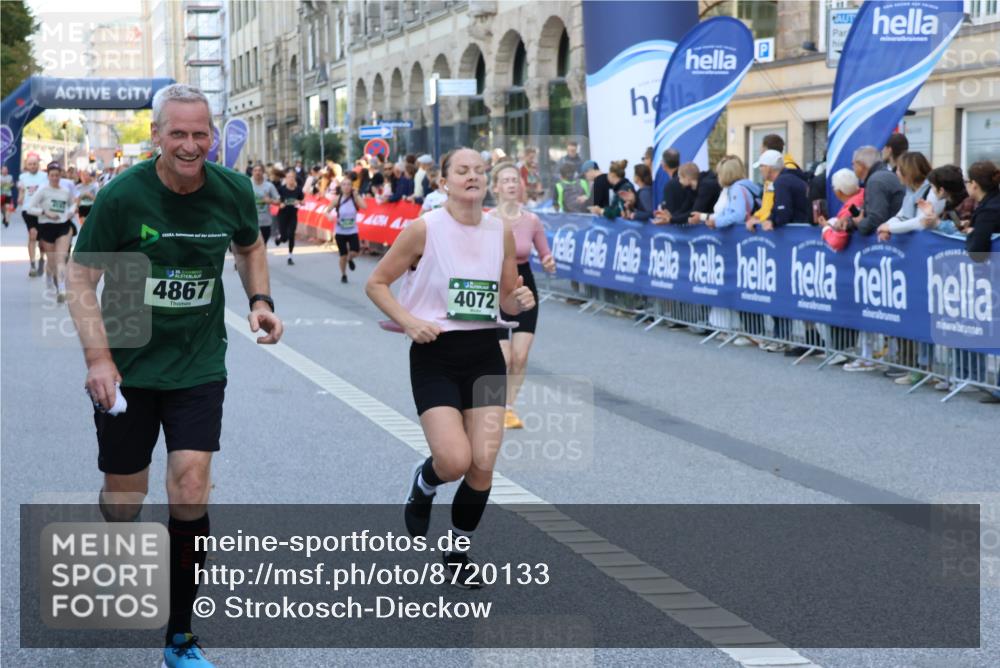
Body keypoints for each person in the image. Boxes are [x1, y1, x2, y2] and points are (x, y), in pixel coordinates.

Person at [66, 83, 283, 668]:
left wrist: (259, 299)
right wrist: (98, 359)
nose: (190, 145)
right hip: (129, 360)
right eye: (178, 133)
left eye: (200, 133)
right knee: (125, 499)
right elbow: (81, 279)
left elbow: (250, 246)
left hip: (197, 362)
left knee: (189, 486)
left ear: (212, 137)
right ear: (157, 136)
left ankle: (180, 634)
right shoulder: (123, 197)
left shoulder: (233, 190)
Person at [365, 148, 534, 587]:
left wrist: (520, 301)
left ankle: (458, 551)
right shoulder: (424, 229)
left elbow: (504, 298)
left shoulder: (502, 232)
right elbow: (376, 283)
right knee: (454, 460)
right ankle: (424, 482)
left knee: (483, 463)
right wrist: (409, 321)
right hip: (435, 351)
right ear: (444, 182)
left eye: (480, 170)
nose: (473, 176)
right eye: (462, 170)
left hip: (484, 355)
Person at [489, 161, 556, 428]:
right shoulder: (487, 220)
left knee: (520, 356)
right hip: (495, 288)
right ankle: (490, 405)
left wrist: (549, 261)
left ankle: (508, 408)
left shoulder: (531, 220)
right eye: (505, 180)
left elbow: (544, 252)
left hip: (524, 286)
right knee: (502, 356)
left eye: (515, 180)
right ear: (495, 187)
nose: (511, 185)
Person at [25, 161, 77, 302]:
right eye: (52, 175)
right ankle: (49, 275)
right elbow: (30, 208)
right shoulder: (42, 190)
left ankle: (61, 289)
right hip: (47, 226)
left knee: (61, 257)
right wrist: (44, 212)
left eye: (57, 175)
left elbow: (73, 204)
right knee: (52, 260)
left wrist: (70, 212)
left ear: (61, 175)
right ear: (48, 176)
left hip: (63, 225)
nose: (55, 178)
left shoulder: (65, 191)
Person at [876, 152, 935, 240]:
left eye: (899, 170)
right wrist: (885, 227)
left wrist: (889, 228)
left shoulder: (932, 191)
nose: (896, 173)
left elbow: (920, 222)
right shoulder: (910, 192)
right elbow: (900, 216)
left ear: (909, 171)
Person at [752, 134, 804, 225]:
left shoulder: (783, 176)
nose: (760, 170)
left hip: (781, 228)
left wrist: (770, 221)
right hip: (769, 223)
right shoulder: (778, 176)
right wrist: (758, 216)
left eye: (761, 166)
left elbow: (781, 206)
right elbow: (769, 203)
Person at [325, 175, 368, 283]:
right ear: (341, 187)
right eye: (344, 184)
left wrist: (357, 195)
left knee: (355, 251)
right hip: (340, 231)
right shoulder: (337, 199)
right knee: (342, 255)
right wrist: (329, 216)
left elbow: (364, 206)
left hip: (352, 230)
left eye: (349, 184)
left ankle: (350, 258)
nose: (346, 187)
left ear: (352, 186)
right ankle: (344, 275)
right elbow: (327, 211)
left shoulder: (354, 198)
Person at [16, 154, 49, 277]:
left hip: (41, 210)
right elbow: (22, 191)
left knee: (42, 240)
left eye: (34, 163)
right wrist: (19, 199)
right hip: (28, 210)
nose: (32, 166)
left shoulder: (45, 176)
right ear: (26, 165)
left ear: (38, 164)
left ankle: (41, 260)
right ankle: (32, 265)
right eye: (30, 164)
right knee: (33, 235)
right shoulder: (23, 177)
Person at [653, 148, 694, 225]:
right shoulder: (688, 179)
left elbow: (669, 212)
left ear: (663, 165)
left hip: (679, 229)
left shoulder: (671, 185)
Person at [276, 169, 304, 264]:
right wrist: (280, 204)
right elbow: (275, 200)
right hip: (282, 215)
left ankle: (290, 256)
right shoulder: (281, 189)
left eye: (292, 177)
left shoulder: (298, 190)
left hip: (293, 215)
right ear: (286, 179)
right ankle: (280, 238)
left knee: (291, 234)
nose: (290, 179)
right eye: (289, 177)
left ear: (295, 179)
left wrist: (299, 202)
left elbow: (303, 201)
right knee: (284, 237)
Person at [250, 163, 280, 245]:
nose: (257, 172)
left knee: (263, 245)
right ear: (252, 172)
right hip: (252, 222)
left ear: (263, 172)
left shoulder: (269, 186)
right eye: (255, 170)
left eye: (259, 170)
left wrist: (270, 201)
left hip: (265, 222)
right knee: (254, 247)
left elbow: (278, 201)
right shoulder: (247, 184)